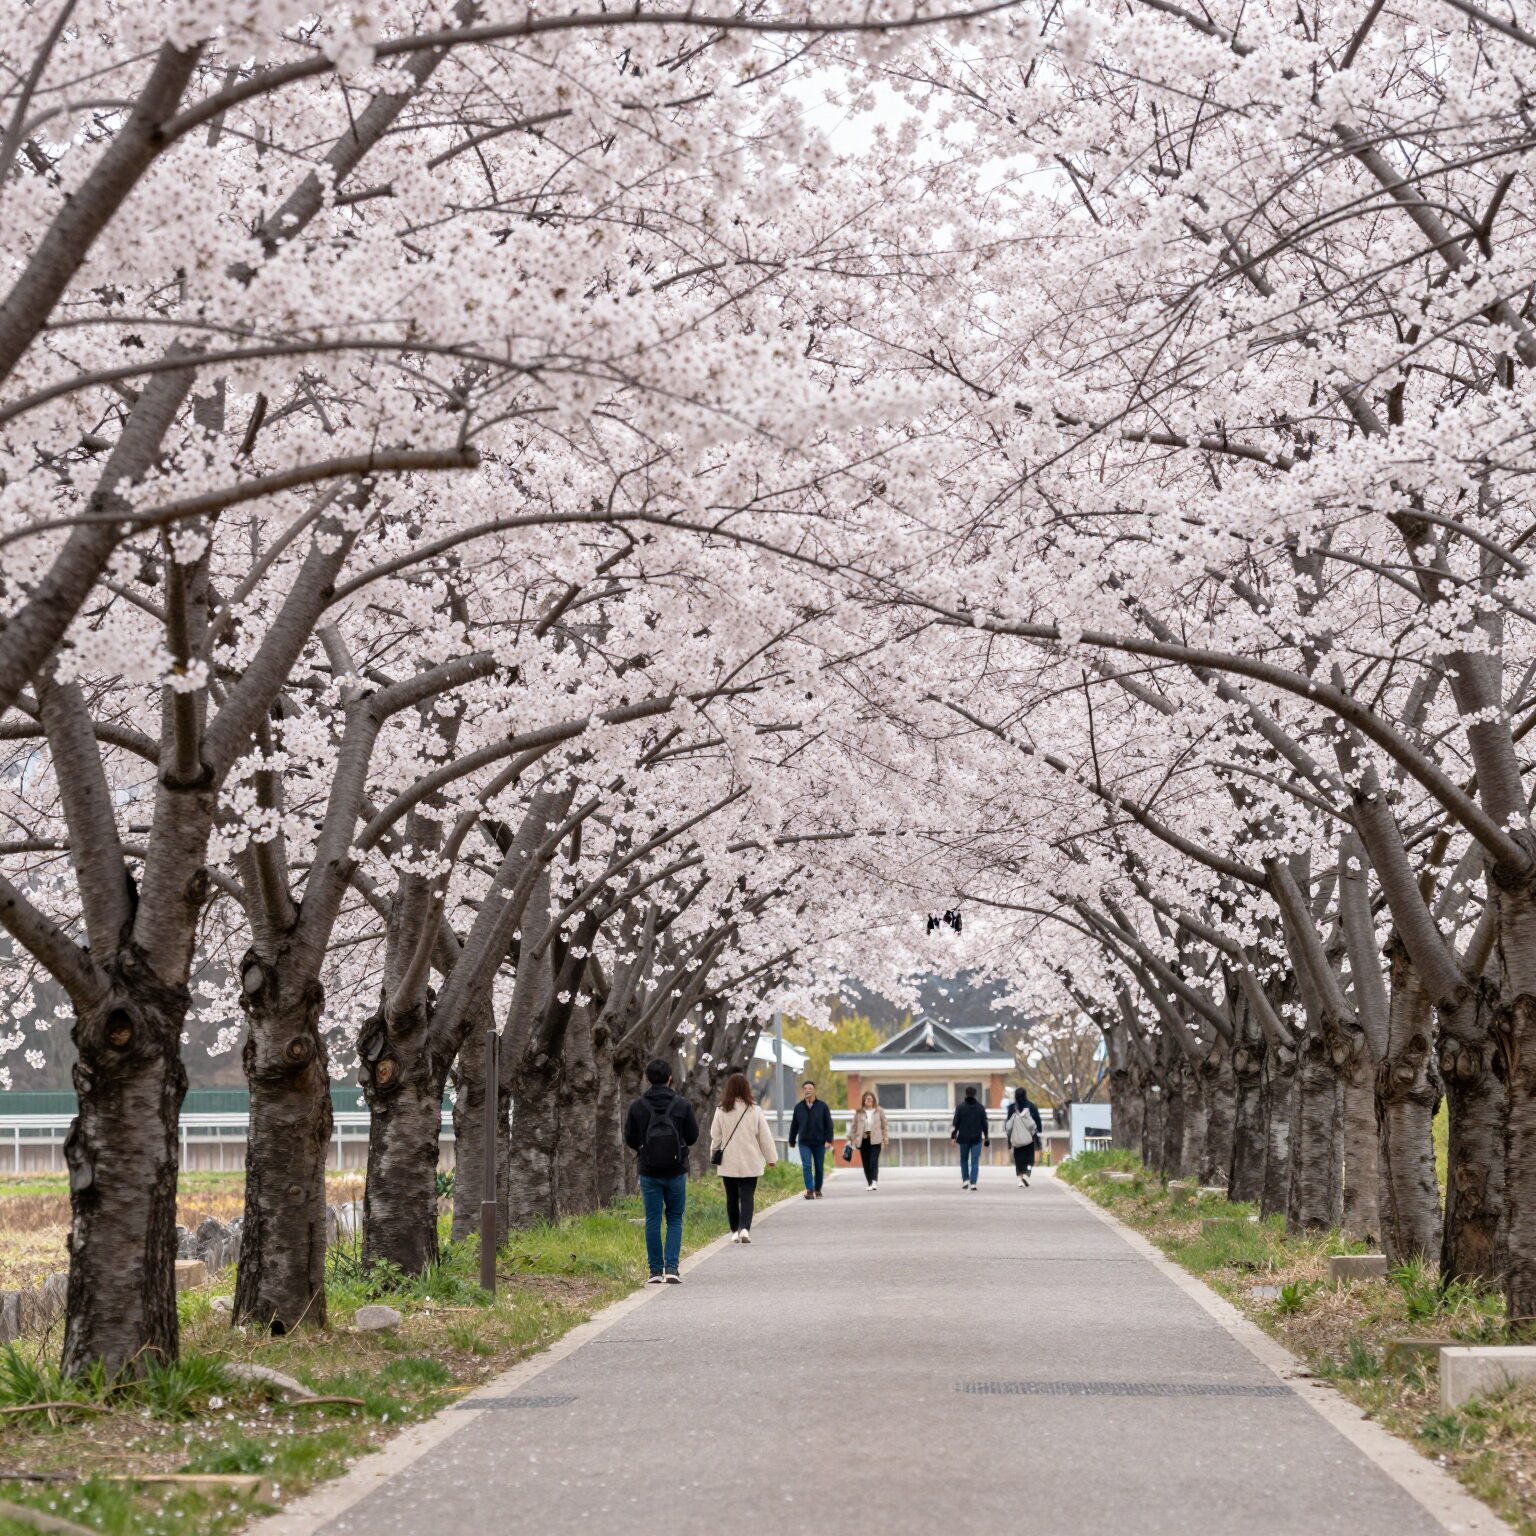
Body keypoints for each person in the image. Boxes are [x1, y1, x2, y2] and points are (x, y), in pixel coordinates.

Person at [623, 1059, 700, 1283]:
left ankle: (655, 1271)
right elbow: (693, 1136)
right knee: (675, 1218)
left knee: (653, 1219)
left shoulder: (637, 1106)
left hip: (648, 1171)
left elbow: (629, 1137)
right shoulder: (682, 1105)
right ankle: (672, 1269)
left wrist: (644, 1149)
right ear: (669, 1078)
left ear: (647, 1079)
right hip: (676, 1170)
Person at [709, 1072, 778, 1242]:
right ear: (747, 1088)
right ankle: (745, 1229)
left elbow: (715, 1136)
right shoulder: (755, 1110)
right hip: (751, 1160)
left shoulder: (721, 1110)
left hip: (728, 1162)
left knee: (731, 1197)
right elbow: (764, 1137)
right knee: (747, 1196)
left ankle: (733, 1231)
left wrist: (713, 1153)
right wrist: (771, 1158)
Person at [788, 1079, 835, 1199]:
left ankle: (818, 1188)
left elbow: (829, 1124)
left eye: (810, 1088)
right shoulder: (799, 1107)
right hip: (804, 1142)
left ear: (814, 1090)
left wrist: (829, 1140)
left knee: (819, 1167)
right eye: (805, 1089)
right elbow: (794, 1125)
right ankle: (809, 1189)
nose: (807, 1091)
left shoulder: (822, 1106)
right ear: (803, 1091)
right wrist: (792, 1140)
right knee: (806, 1165)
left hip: (819, 1142)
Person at [847, 1089, 889, 1190]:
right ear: (864, 1101)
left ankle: (874, 1181)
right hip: (863, 1140)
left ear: (874, 1100)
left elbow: (885, 1125)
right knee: (866, 1163)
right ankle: (870, 1183)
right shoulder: (859, 1112)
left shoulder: (879, 1111)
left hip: (876, 1140)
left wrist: (885, 1138)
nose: (868, 1101)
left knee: (873, 1161)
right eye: (867, 1099)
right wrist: (850, 1138)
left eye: (870, 1099)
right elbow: (854, 1126)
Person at [950, 1086, 990, 1190]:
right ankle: (973, 1183)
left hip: (963, 1138)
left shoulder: (960, 1107)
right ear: (975, 1094)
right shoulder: (980, 1108)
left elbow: (955, 1124)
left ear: (966, 1093)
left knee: (963, 1160)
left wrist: (953, 1137)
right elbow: (984, 1124)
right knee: (975, 1161)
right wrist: (986, 1137)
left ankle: (965, 1180)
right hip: (976, 1138)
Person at [1005, 1086, 1044, 1187]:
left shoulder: (1012, 1108)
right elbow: (1037, 1121)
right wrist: (1039, 1131)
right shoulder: (1031, 1106)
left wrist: (1009, 1138)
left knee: (1019, 1159)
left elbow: (1008, 1123)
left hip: (1017, 1137)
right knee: (1029, 1158)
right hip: (1030, 1137)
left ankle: (1021, 1179)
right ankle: (1028, 1171)